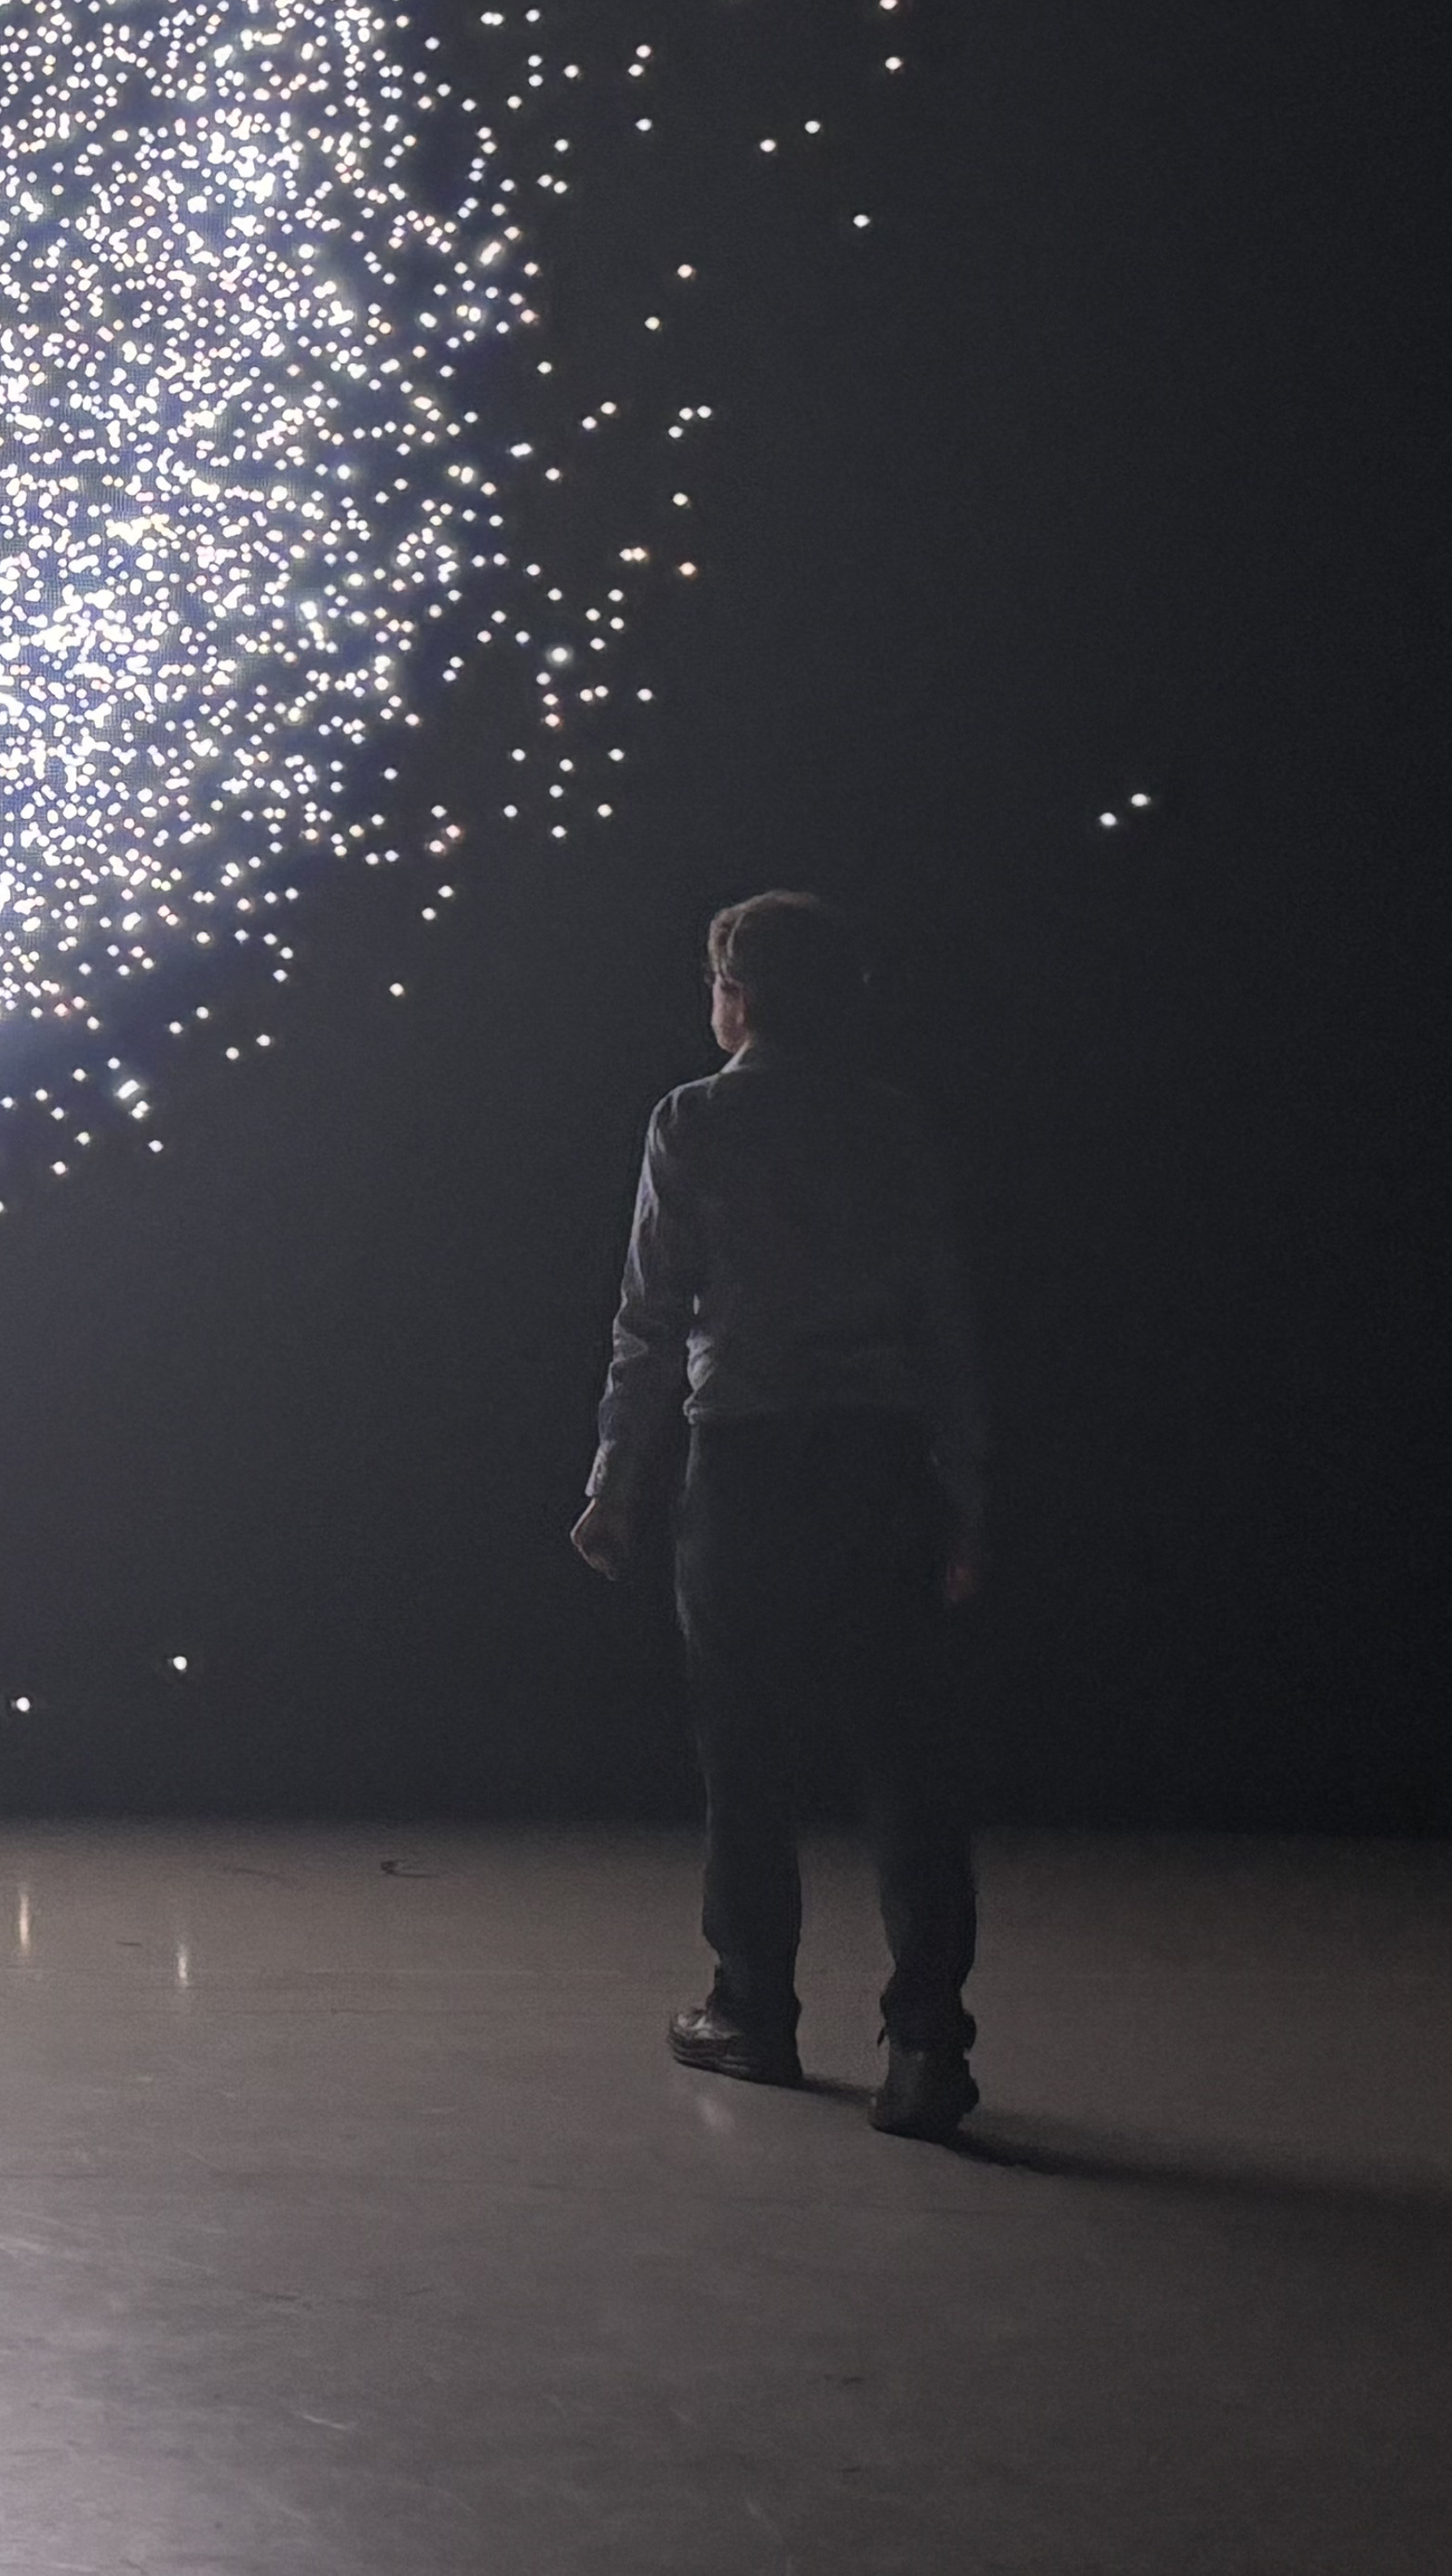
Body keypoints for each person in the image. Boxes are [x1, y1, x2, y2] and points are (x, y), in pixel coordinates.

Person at [571, 891, 988, 2139]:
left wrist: (612, 1484)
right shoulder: (892, 1127)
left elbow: (650, 1323)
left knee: (744, 1756)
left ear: (735, 996)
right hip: (876, 1461)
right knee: (907, 1764)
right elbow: (945, 1326)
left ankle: (755, 2011)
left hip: (745, 1465)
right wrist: (968, 1499)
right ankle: (928, 2047)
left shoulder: (695, 1120)